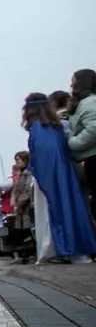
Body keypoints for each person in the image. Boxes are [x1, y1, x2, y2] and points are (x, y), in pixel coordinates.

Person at [24, 93, 96, 264]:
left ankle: (62, 250)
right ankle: (79, 248)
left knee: (51, 215)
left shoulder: (38, 130)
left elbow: (42, 158)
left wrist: (37, 174)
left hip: (48, 180)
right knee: (74, 208)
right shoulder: (58, 127)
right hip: (66, 175)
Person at [67, 70, 96, 222]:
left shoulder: (89, 103)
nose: (71, 85)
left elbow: (94, 129)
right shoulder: (86, 103)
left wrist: (72, 142)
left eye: (73, 81)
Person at [10, 151, 35, 262]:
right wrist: (14, 202)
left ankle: (29, 254)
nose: (17, 162)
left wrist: (19, 203)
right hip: (20, 209)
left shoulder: (28, 173)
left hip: (26, 208)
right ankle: (23, 254)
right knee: (21, 232)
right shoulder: (21, 174)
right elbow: (15, 191)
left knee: (27, 230)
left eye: (18, 159)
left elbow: (27, 190)